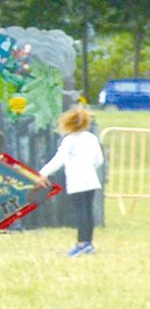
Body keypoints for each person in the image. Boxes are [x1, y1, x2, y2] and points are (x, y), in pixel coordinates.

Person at [38, 103, 103, 255]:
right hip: (91, 179)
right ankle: (88, 242)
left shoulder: (70, 140)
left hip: (77, 180)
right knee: (88, 210)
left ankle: (81, 243)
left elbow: (58, 159)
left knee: (80, 211)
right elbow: (99, 160)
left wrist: (43, 173)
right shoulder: (91, 138)